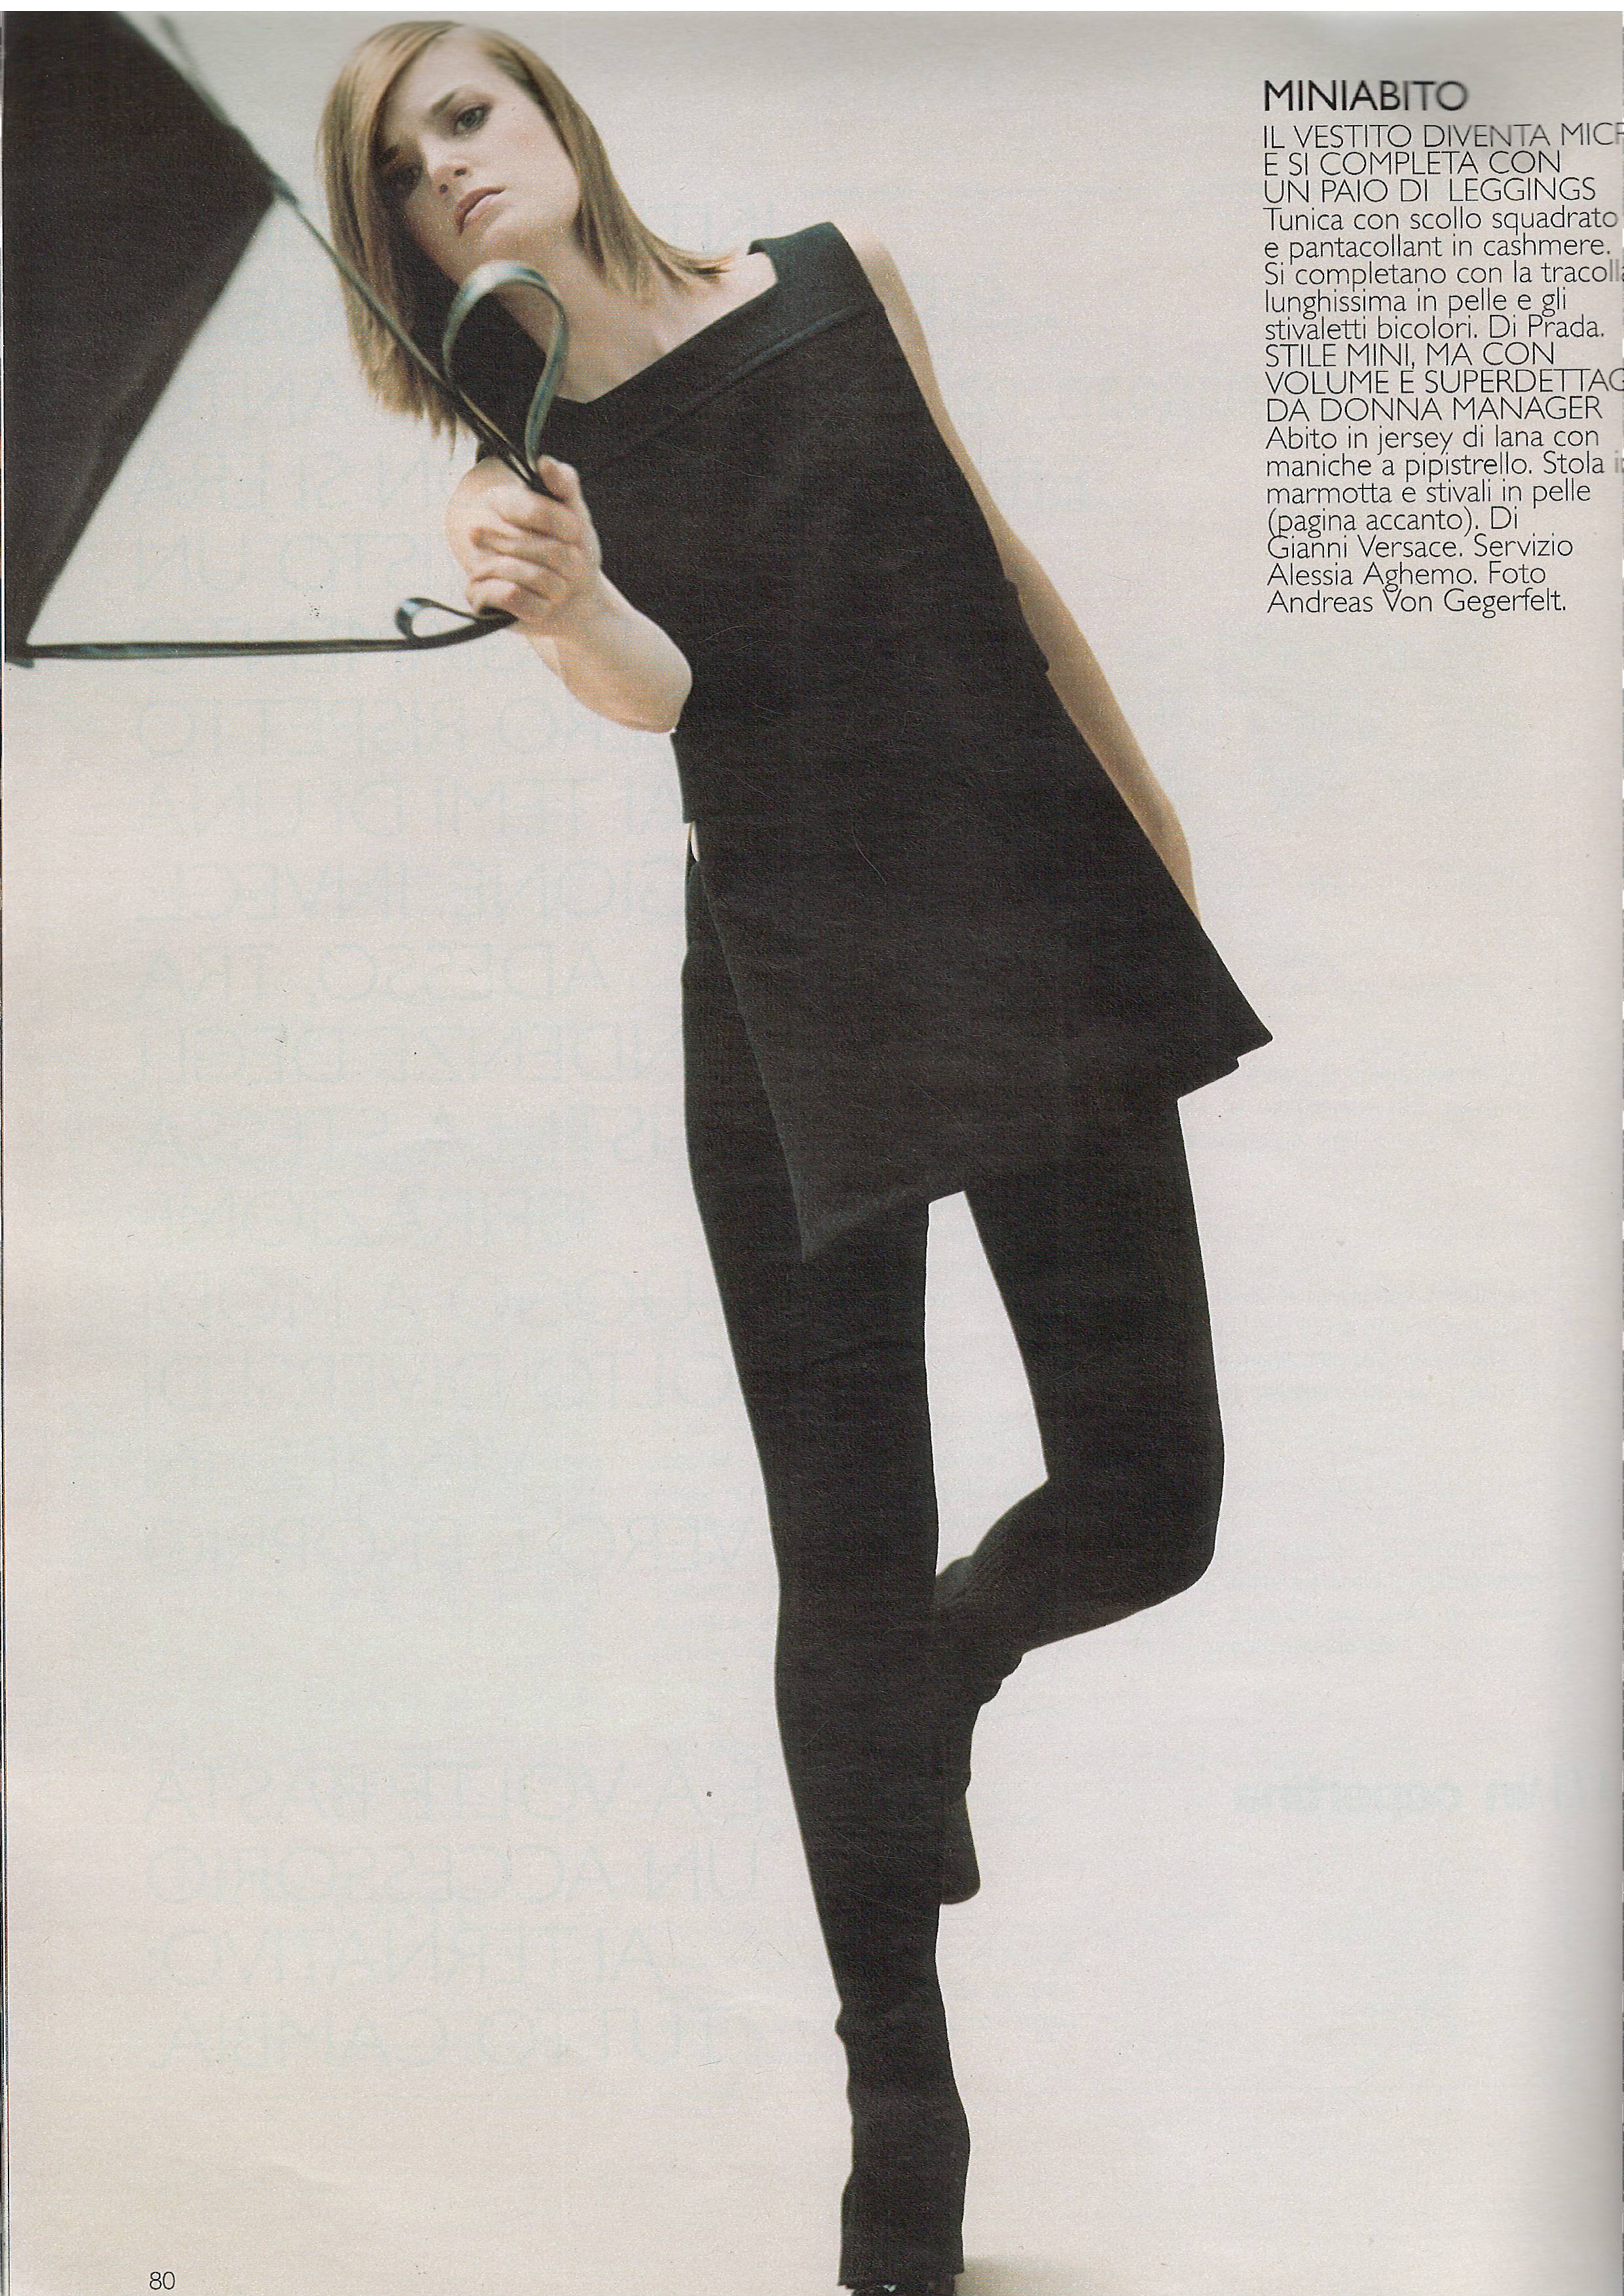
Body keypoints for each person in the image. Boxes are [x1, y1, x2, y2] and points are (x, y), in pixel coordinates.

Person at [320, 23, 1271, 2293]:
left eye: (468, 113)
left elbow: (995, 568)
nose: (452, 167)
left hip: (1023, 918)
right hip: (786, 1001)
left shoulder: (839, 277)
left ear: (549, 111)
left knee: (1153, 1495)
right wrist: (566, 598)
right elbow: (660, 694)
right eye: (404, 168)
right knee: (840, 1564)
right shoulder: (519, 476)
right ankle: (899, 2110)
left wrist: (1148, 830)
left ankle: (936, 1679)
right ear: (395, 242)